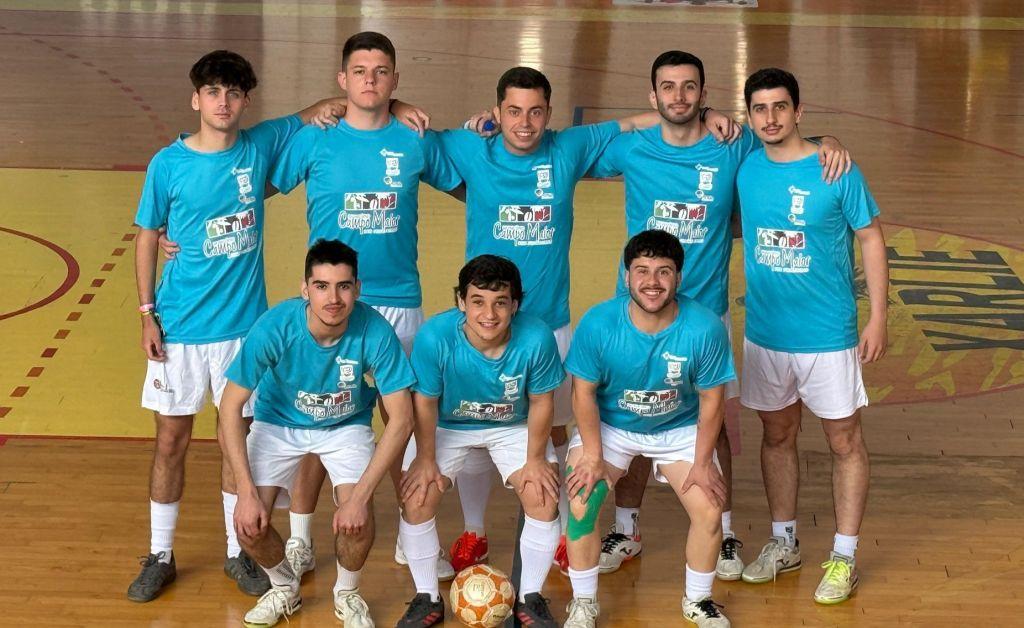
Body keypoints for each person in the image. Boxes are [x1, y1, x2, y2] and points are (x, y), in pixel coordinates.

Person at [438, 65, 741, 573]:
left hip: (551, 322)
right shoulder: (473, 147)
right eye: (513, 111)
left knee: (559, 431)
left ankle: (563, 532)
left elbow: (632, 122)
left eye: (536, 111)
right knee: (475, 421)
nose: (525, 122)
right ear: (496, 112)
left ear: (550, 113)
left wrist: (704, 114)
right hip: (486, 320)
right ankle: (475, 530)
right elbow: (416, 143)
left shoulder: (569, 146)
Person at [587, 50, 851, 580]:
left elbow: (787, 140)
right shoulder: (632, 147)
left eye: (690, 87)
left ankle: (726, 533)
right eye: (668, 87)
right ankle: (626, 528)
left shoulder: (732, 143)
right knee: (631, 413)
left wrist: (830, 141)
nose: (679, 96)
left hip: (704, 315)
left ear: (705, 94)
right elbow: (563, 148)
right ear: (653, 95)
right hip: (638, 313)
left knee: (714, 422)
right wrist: (489, 125)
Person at [128, 49, 347, 603]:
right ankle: (160, 555)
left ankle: (238, 551)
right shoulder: (168, 164)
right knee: (171, 441)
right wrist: (147, 313)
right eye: (213, 92)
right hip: (179, 329)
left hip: (243, 333)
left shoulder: (259, 146)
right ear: (195, 99)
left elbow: (325, 108)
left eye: (233, 93)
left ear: (246, 100)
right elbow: (147, 235)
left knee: (239, 445)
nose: (222, 103)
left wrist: (401, 106)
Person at [266, 31, 463, 580]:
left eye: (380, 72)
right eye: (360, 71)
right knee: (316, 418)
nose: (370, 80)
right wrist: (177, 228)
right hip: (331, 302)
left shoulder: (413, 138)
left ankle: (412, 536)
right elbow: (251, 189)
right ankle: (300, 540)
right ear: (342, 80)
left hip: (398, 302)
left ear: (395, 79)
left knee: (406, 421)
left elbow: (476, 186)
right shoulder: (315, 137)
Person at [735, 67, 888, 605]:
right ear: (749, 116)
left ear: (798, 111)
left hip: (828, 334)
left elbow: (870, 238)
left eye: (780, 107)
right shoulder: (745, 164)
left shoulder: (836, 168)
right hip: (766, 334)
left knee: (844, 440)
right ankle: (785, 543)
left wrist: (878, 317)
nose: (770, 118)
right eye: (759, 109)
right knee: (777, 435)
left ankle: (843, 556)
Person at [219, 239, 416, 627]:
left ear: (357, 289)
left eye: (343, 286)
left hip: (345, 426)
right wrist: (244, 491)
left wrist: (359, 498)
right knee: (248, 527)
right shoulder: (275, 326)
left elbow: (402, 420)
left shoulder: (375, 330)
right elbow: (229, 407)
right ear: (305, 288)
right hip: (279, 423)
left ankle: (347, 593)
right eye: (322, 286)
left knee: (358, 520)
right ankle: (284, 587)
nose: (333, 298)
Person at [562, 229, 736, 628]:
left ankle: (698, 600)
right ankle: (584, 603)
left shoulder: (704, 328)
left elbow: (712, 401)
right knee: (581, 503)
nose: (652, 282)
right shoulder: (599, 323)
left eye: (663, 271)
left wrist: (703, 462)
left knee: (710, 510)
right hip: (612, 427)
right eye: (642, 271)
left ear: (678, 277)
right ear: (627, 277)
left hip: (678, 428)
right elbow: (582, 393)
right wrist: (593, 455)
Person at [396, 255, 564, 627]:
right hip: (449, 425)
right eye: (478, 301)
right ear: (461, 301)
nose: (488, 314)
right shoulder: (435, 337)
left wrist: (536, 459)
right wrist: (425, 459)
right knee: (418, 495)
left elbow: (541, 402)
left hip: (513, 424)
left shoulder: (537, 337)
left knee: (542, 494)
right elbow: (424, 402)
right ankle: (426, 597)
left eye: (500, 302)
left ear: (515, 305)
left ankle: (530, 597)